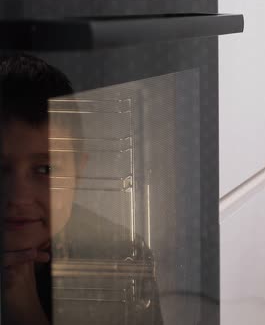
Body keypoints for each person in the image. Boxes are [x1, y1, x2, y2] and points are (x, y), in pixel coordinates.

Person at [0, 53, 162, 324]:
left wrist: (23, 306)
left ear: (78, 172)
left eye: (45, 169)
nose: (18, 196)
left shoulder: (119, 258)